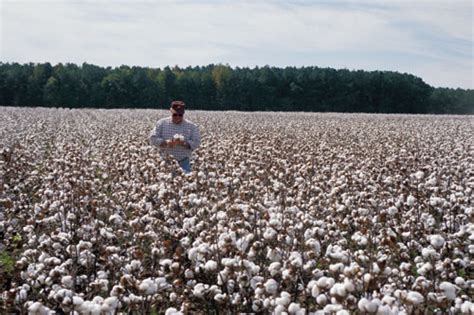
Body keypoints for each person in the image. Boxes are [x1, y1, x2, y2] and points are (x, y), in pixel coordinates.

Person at [149, 100, 201, 173]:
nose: (177, 117)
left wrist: (184, 144)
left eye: (180, 115)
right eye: (175, 114)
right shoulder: (162, 123)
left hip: (183, 162)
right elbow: (152, 138)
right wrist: (166, 142)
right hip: (165, 162)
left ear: (183, 113)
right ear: (171, 112)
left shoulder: (191, 126)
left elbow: (197, 142)